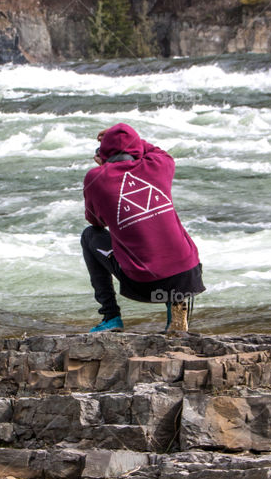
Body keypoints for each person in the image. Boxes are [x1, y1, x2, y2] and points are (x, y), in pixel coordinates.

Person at [81, 122, 205, 333]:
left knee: (90, 236)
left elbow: (95, 222)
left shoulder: (96, 178)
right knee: (163, 236)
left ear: (103, 155)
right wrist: (132, 141)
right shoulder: (160, 164)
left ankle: (111, 317)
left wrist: (105, 167)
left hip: (144, 284)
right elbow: (156, 151)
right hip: (188, 276)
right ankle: (174, 308)